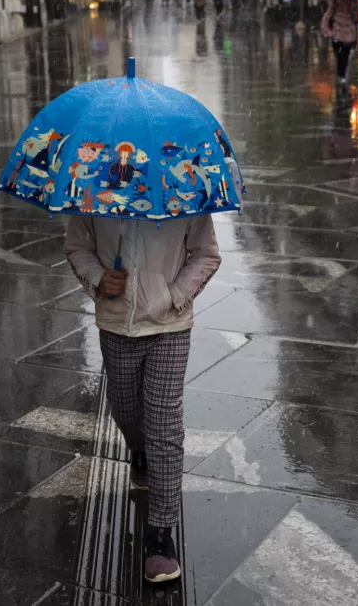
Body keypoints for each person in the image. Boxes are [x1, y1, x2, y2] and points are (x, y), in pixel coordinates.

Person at [64, 215, 222, 583]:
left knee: (164, 425)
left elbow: (206, 254)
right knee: (125, 410)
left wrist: (174, 295)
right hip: (115, 323)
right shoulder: (93, 190)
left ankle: (161, 535)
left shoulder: (188, 191)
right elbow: (77, 246)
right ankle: (139, 450)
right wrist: (100, 277)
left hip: (170, 326)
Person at [322, 0, 358, 85]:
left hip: (338, 30)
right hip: (346, 31)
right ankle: (341, 75)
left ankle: (341, 75)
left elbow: (329, 12)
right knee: (344, 55)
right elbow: (355, 15)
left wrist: (326, 29)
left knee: (340, 55)